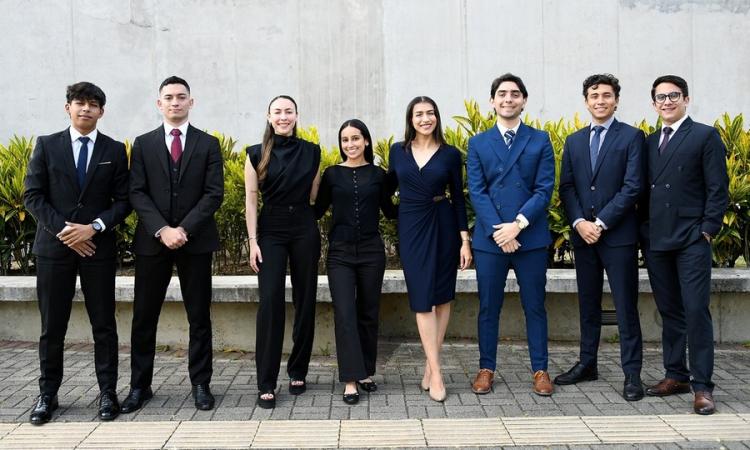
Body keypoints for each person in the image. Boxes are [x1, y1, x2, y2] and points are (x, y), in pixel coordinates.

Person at [23, 81, 131, 424]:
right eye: (79, 102)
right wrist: (66, 231)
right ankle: (47, 394)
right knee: (52, 326)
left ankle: (107, 393)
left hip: (97, 249)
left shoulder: (114, 150)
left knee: (104, 325)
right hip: (54, 250)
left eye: (93, 104)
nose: (86, 108)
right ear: (68, 107)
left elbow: (124, 201)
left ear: (101, 111)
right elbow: (33, 196)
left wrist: (94, 227)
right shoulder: (47, 145)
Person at [123, 76, 224, 413]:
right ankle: (140, 386)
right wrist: (162, 229)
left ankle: (201, 383)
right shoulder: (143, 143)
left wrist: (183, 229)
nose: (175, 102)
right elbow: (136, 191)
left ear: (191, 102)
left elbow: (214, 193)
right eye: (169, 97)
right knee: (144, 317)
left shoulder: (208, 144)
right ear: (159, 103)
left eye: (182, 97)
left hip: (195, 243)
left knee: (199, 316)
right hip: (153, 243)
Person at [642, 75, 728, 415]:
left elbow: (717, 187)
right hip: (657, 239)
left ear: (686, 99)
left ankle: (703, 386)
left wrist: (708, 229)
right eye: (660, 97)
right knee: (670, 311)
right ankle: (675, 374)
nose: (667, 102)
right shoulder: (648, 141)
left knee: (695, 310)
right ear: (653, 104)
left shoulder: (704, 135)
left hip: (692, 238)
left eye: (673, 95)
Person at [557, 74, 645, 400]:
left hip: (617, 236)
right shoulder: (574, 140)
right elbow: (567, 186)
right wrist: (580, 221)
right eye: (594, 95)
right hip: (584, 237)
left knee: (625, 306)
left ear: (616, 100)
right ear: (586, 101)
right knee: (588, 304)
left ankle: (632, 373)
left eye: (606, 95)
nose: (600, 101)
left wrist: (602, 221)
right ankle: (587, 363)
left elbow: (633, 186)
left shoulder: (632, 137)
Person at [466, 73, 555, 396]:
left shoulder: (540, 139)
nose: (508, 99)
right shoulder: (478, 143)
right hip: (491, 240)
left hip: (529, 238)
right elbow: (477, 191)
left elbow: (544, 189)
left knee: (535, 305)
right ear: (492, 101)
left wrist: (517, 224)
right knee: (489, 306)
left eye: (514, 94)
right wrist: (500, 231)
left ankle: (540, 369)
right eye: (501, 94)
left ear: (524, 100)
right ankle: (486, 367)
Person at [388, 96, 472, 402]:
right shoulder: (397, 151)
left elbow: (459, 199)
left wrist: (464, 240)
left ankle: (429, 365)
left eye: (430, 113)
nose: (425, 119)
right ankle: (437, 372)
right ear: (410, 119)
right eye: (419, 114)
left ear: (437, 117)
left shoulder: (451, 154)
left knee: (441, 296)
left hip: (444, 223)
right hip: (411, 225)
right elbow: (386, 189)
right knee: (422, 299)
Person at [245, 95, 321, 409]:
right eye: (277, 111)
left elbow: (315, 195)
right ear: (269, 115)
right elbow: (251, 201)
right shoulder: (255, 153)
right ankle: (266, 381)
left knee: (305, 300)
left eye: (288, 111)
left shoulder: (313, 152)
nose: (283, 116)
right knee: (270, 302)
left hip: (304, 226)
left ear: (296, 115)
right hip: (271, 229)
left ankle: (298, 370)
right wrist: (253, 241)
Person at [314, 119, 396, 405]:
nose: (350, 145)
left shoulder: (379, 174)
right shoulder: (332, 174)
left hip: (372, 252)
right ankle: (350, 379)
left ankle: (366, 372)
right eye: (345, 140)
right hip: (340, 253)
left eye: (355, 139)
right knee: (345, 313)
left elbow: (390, 211)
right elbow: (316, 210)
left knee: (368, 312)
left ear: (366, 141)